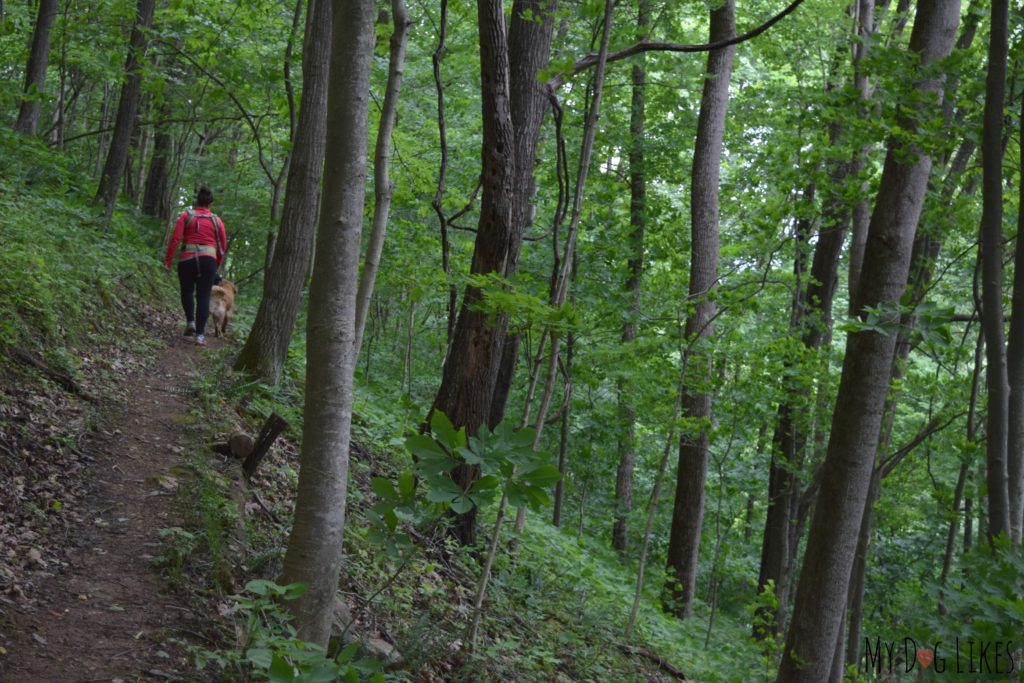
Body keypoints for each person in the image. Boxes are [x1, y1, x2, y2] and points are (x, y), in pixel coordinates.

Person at [164, 186, 227, 346]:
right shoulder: (217, 220)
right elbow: (222, 247)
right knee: (204, 296)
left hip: (187, 259)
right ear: (210, 203)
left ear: (197, 201)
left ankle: (190, 322)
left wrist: (168, 260)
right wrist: (216, 264)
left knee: (187, 291)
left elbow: (175, 239)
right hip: (208, 260)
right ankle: (200, 336)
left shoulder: (186, 215)